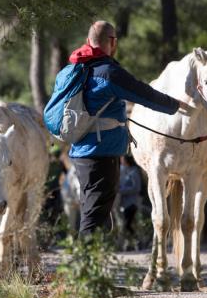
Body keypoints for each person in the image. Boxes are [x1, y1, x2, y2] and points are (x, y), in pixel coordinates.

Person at [67, 20, 194, 237]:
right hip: (101, 153)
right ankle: (83, 269)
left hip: (79, 152)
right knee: (94, 218)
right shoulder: (108, 72)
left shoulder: (72, 70)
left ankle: (91, 265)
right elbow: (145, 94)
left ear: (88, 41)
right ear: (113, 42)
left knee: (94, 212)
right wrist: (177, 105)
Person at [118, 155, 142, 249]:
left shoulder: (134, 171)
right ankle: (130, 243)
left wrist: (121, 190)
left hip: (132, 203)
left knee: (127, 224)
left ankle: (136, 241)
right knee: (126, 224)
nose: (121, 160)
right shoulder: (123, 170)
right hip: (123, 203)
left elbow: (137, 188)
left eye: (122, 159)